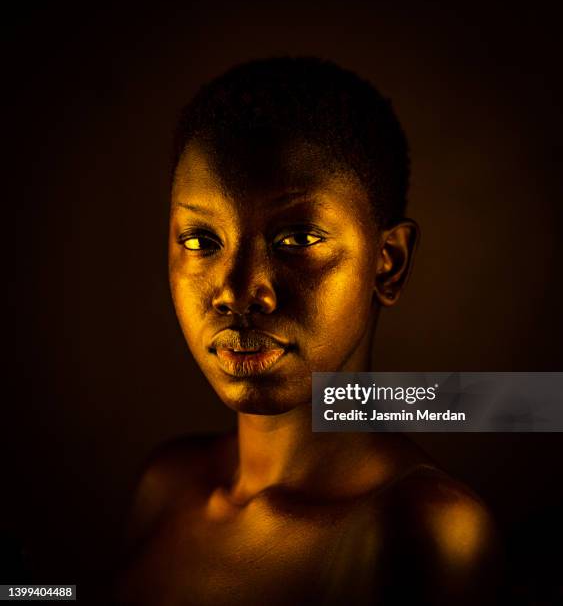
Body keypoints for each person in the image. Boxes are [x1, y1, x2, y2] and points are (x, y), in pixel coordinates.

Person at [114, 57, 502, 605]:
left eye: (296, 238)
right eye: (201, 240)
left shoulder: (423, 531)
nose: (236, 291)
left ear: (387, 263)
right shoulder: (165, 485)